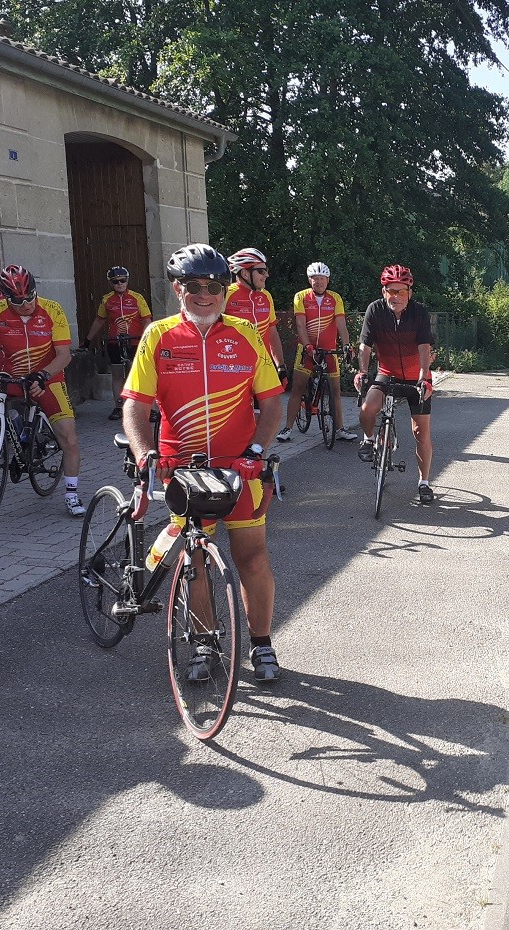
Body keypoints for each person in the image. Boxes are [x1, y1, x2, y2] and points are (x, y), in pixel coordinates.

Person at [121, 244, 286, 684]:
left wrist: (256, 451)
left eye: (212, 286)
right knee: (194, 558)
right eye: (193, 286)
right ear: (178, 289)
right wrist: (143, 453)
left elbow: (272, 404)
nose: (203, 294)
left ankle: (262, 643)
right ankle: (205, 642)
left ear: (225, 290)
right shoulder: (158, 336)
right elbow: (135, 406)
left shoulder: (246, 335)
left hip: (240, 469)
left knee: (251, 558)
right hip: (183, 470)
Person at [0, 264, 86, 516]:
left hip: (46, 378)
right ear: (5, 296)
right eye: (17, 300)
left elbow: (64, 355)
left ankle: (71, 494)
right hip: (6, 376)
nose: (25, 303)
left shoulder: (52, 309)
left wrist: (44, 374)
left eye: (29, 296)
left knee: (69, 437)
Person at [353, 264, 434, 503]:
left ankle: (424, 482)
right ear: (383, 291)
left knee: (421, 432)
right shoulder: (375, 311)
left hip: (416, 376)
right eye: (391, 291)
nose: (395, 296)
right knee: (368, 408)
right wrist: (363, 372)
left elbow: (424, 348)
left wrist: (423, 378)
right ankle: (369, 440)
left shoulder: (419, 313)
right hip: (387, 372)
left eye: (401, 291)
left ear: (410, 292)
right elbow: (365, 346)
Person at [276, 261, 356, 443]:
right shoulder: (301, 297)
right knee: (297, 389)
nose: (318, 282)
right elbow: (300, 325)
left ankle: (340, 428)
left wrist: (346, 344)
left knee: (336, 391)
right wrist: (307, 346)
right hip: (307, 350)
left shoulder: (335, 298)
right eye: (315, 278)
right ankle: (287, 428)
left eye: (322, 278)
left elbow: (341, 325)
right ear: (309, 280)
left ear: (328, 280)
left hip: (328, 350)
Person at [81, 265, 152, 420]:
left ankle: (146, 408)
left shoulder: (137, 298)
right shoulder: (107, 300)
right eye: (115, 282)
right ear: (111, 283)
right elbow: (99, 320)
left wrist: (146, 338)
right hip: (115, 341)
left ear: (127, 281)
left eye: (122, 280)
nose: (119, 284)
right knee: (118, 375)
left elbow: (147, 319)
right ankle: (118, 407)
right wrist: (87, 340)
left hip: (135, 341)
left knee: (140, 375)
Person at [224, 248, 286, 372]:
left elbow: (272, 333)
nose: (266, 275)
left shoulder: (266, 296)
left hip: (263, 367)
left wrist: (281, 365)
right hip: (234, 368)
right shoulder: (226, 294)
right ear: (245, 273)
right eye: (261, 271)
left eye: (266, 270)